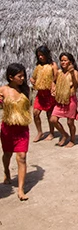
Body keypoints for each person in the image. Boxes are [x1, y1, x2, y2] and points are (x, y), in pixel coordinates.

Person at [0, 63, 32, 201]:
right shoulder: (3, 90)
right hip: (7, 128)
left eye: (23, 75)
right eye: (20, 76)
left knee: (22, 157)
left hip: (22, 129)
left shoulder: (25, 90)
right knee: (7, 154)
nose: (23, 78)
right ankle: (7, 172)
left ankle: (21, 189)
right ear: (11, 77)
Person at [50, 52, 78, 147]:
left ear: (70, 61)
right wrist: (53, 88)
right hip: (60, 100)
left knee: (70, 122)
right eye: (61, 60)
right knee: (53, 119)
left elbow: (76, 85)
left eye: (65, 60)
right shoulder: (58, 72)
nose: (63, 62)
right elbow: (53, 82)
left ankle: (72, 140)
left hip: (70, 99)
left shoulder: (74, 72)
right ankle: (64, 134)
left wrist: (72, 74)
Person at [30, 45, 58, 142]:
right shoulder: (38, 66)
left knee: (49, 114)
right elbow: (33, 77)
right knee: (35, 113)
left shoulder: (52, 65)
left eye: (42, 55)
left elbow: (56, 77)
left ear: (46, 54)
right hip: (40, 93)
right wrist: (32, 80)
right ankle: (39, 132)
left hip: (49, 93)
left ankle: (51, 133)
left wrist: (53, 85)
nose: (40, 57)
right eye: (38, 55)